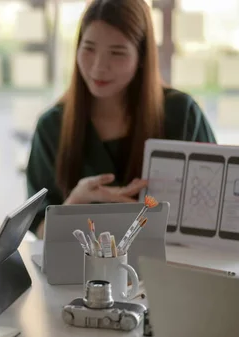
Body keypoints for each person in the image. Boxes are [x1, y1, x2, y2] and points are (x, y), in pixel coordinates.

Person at [26, 0, 217, 239]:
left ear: (141, 58)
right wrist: (77, 200)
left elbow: (218, 207)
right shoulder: (52, 126)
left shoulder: (181, 113)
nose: (98, 67)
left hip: (168, 266)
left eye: (117, 53)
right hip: (82, 271)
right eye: (89, 48)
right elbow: (42, 232)